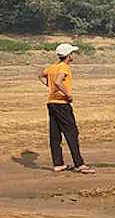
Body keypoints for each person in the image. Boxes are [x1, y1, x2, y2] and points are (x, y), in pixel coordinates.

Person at [38, 44, 95, 174]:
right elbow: (58, 82)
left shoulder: (53, 67)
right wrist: (67, 94)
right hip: (62, 104)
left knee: (55, 135)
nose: (73, 56)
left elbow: (40, 76)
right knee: (72, 133)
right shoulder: (64, 67)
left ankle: (58, 164)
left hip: (52, 103)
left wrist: (50, 87)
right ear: (68, 55)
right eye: (72, 53)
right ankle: (79, 164)